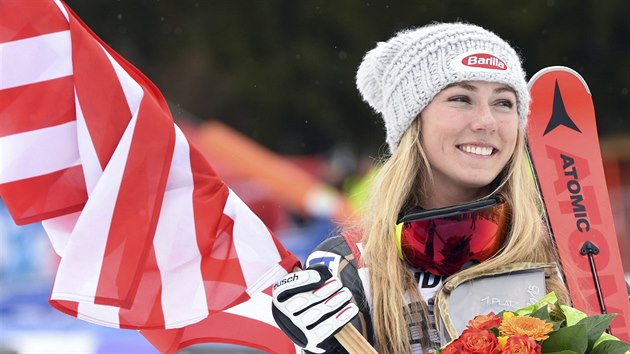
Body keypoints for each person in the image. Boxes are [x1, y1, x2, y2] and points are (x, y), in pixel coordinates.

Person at [271, 22, 570, 354]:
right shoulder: (352, 265)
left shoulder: (560, 253)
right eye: (460, 98)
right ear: (412, 121)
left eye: (504, 103)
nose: (486, 121)